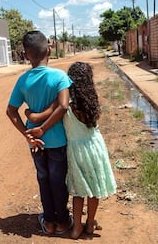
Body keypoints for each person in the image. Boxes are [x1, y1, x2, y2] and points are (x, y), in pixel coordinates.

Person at [26, 62, 117, 239]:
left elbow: (41, 116)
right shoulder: (92, 100)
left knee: (78, 190)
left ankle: (76, 228)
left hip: (77, 150)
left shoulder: (66, 102)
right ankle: (90, 225)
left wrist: (29, 114)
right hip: (95, 147)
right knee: (94, 188)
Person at [6, 30, 73, 235]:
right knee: (58, 179)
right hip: (57, 140)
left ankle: (49, 221)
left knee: (43, 178)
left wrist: (27, 134)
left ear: (26, 55)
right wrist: (44, 128)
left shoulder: (23, 80)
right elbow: (63, 106)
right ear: (49, 49)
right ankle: (62, 221)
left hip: (35, 142)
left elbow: (11, 111)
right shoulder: (59, 76)